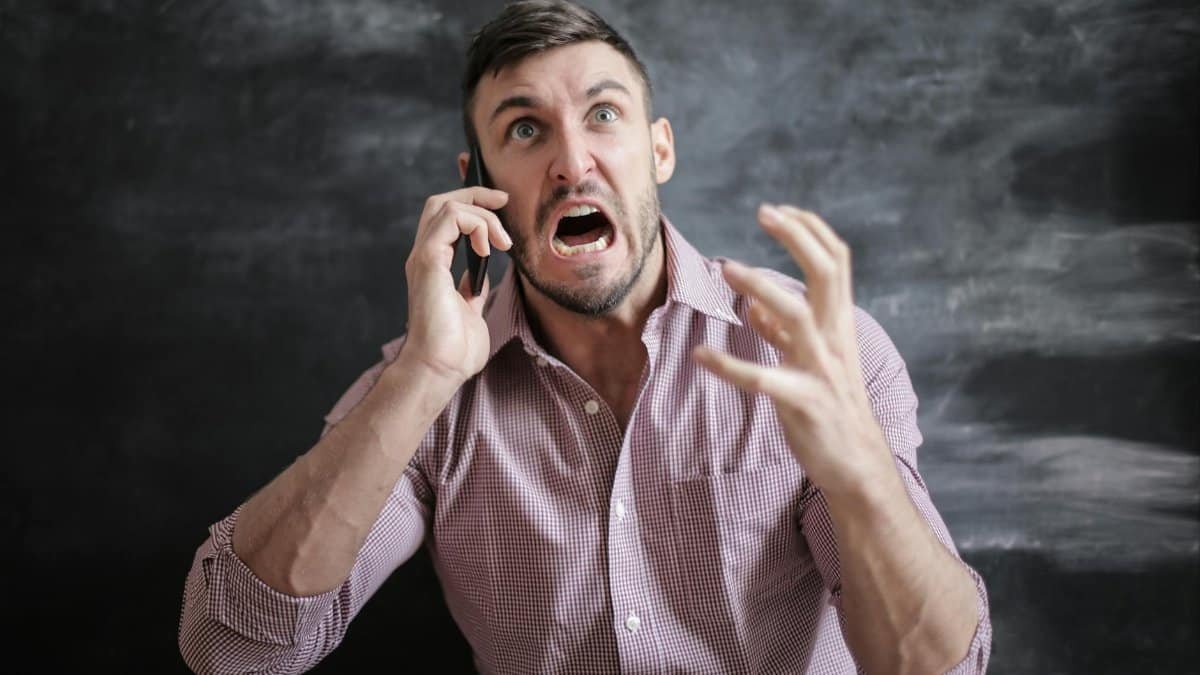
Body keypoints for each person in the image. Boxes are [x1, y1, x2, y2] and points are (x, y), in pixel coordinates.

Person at [178, 1, 992, 672]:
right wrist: (423, 374)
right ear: (479, 183)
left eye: (603, 114)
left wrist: (858, 471)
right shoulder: (426, 394)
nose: (573, 163)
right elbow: (232, 650)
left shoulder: (817, 349)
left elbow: (935, 667)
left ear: (658, 148)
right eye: (525, 130)